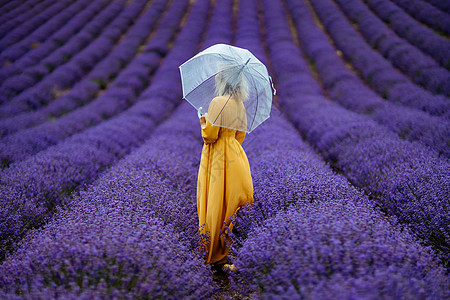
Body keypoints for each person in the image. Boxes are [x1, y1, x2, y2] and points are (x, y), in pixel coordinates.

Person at [197, 63, 254, 267]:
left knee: (216, 201)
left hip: (218, 157)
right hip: (236, 157)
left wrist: (203, 120)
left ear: (222, 81)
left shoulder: (217, 102)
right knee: (231, 204)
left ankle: (213, 254)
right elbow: (241, 136)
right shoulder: (240, 104)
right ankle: (231, 251)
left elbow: (209, 136)